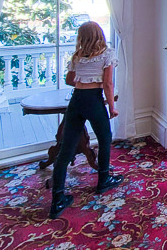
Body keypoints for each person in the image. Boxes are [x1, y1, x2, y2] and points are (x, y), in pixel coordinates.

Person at [50, 21, 124, 218]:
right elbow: (108, 84)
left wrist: (85, 79)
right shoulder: (107, 54)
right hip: (93, 101)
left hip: (76, 101)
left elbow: (69, 80)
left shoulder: (78, 56)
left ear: (82, 37)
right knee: (105, 139)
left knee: (65, 150)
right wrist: (112, 107)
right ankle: (103, 180)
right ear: (99, 34)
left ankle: (57, 199)